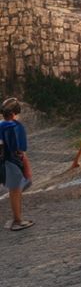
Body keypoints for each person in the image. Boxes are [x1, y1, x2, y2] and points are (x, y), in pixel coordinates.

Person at [0, 98, 34, 231]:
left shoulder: (1, 124)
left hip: (3, 162)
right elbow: (19, 148)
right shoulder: (14, 126)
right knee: (15, 190)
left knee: (14, 190)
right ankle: (18, 220)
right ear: (15, 112)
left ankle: (16, 217)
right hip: (12, 162)